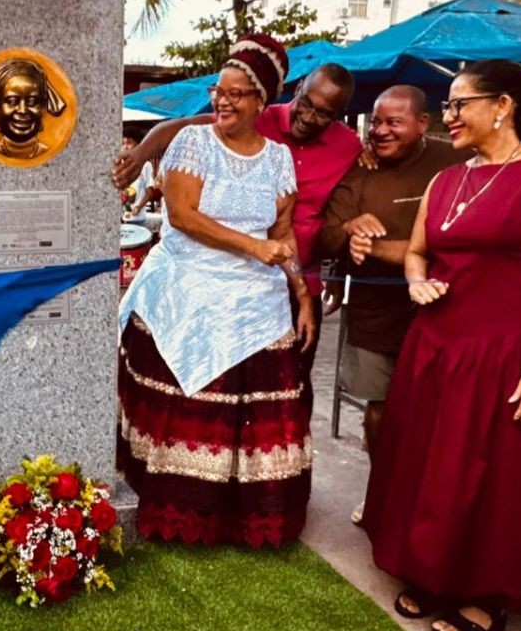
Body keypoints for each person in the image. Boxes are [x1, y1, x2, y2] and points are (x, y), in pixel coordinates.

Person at [362, 60, 521, 631]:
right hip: (435, 347)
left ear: (503, 106)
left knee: (492, 479)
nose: (450, 116)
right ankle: (432, 572)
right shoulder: (446, 180)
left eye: (460, 103)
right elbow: (418, 253)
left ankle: (487, 595)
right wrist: (417, 281)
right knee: (432, 467)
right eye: (449, 104)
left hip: (505, 352)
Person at [117, 34, 316, 548]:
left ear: (261, 101)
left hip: (258, 295)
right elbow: (183, 217)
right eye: (218, 91)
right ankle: (182, 506)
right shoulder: (193, 143)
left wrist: (301, 292)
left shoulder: (278, 158)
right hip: (189, 283)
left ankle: (247, 513)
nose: (222, 101)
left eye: (235, 94)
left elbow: (283, 233)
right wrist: (253, 246)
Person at [114, 63, 361, 412]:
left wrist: (308, 293)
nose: (309, 117)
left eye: (323, 114)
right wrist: (138, 155)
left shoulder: (340, 147)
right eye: (306, 103)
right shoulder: (240, 122)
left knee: (284, 395)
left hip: (281, 284)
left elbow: (286, 229)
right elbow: (182, 208)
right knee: (191, 404)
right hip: (195, 291)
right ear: (297, 89)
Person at [317, 86, 469, 525]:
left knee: (440, 412)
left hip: (443, 311)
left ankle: (432, 501)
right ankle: (383, 491)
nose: (380, 131)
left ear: (422, 123)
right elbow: (325, 238)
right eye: (376, 122)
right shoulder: (360, 170)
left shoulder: (456, 159)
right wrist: (349, 227)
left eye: (393, 122)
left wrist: (382, 249)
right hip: (374, 313)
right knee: (380, 410)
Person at [0, 58, 67, 160]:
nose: (23, 110)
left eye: (32, 101)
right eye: (12, 101)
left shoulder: (47, 153)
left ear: (43, 107)